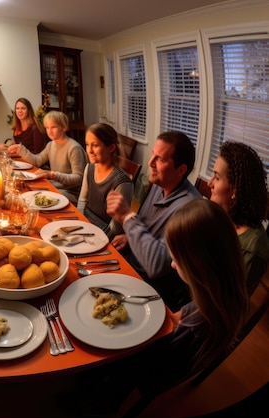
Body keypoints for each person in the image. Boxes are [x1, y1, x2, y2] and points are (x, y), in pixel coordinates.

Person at [70, 199, 250, 417]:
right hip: (159, 360)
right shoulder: (220, 295)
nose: (172, 265)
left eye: (176, 260)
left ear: (198, 265)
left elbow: (154, 368)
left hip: (146, 373)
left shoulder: (200, 325)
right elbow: (179, 316)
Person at [106, 130, 202, 311]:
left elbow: (156, 266)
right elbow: (147, 226)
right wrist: (130, 237)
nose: (150, 164)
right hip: (130, 265)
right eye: (153, 156)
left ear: (181, 170)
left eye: (161, 159)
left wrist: (127, 217)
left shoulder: (189, 209)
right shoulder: (161, 183)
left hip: (153, 292)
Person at [207, 140, 269, 295]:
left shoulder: (253, 247)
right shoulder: (221, 217)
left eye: (217, 177)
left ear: (235, 189)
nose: (209, 183)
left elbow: (225, 303)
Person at [8, 110, 86, 205]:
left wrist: (52, 175)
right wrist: (21, 150)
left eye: (53, 127)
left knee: (34, 198)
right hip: (55, 186)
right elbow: (37, 161)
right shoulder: (51, 145)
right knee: (27, 192)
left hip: (69, 193)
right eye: (47, 128)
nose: (50, 131)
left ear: (64, 127)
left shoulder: (74, 148)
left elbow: (78, 178)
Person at [77, 122, 132, 240]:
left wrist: (96, 239)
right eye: (87, 144)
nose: (89, 150)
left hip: (105, 234)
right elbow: (82, 201)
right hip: (86, 224)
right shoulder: (90, 168)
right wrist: (80, 225)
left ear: (111, 148)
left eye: (95, 145)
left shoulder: (122, 182)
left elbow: (116, 226)